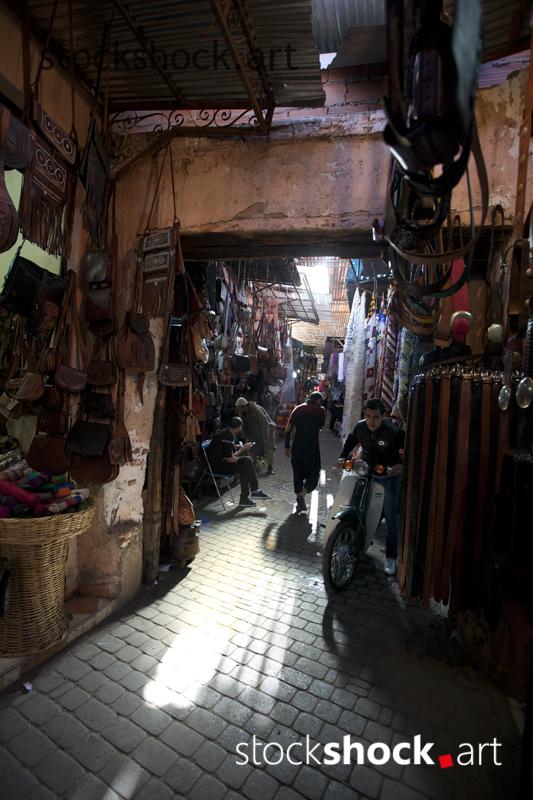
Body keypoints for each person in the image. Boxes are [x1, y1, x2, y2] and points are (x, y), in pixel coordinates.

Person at [337, 398, 404, 576]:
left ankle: (391, 557)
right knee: (355, 502)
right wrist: (342, 456)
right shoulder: (360, 427)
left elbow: (403, 452)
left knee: (390, 518)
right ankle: (353, 540)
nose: (371, 421)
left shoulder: (393, 431)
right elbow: (351, 441)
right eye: (368, 416)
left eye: (376, 417)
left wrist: (398, 466)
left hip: (388, 476)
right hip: (366, 470)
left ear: (383, 416)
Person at [206, 417, 270, 508]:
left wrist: (238, 448)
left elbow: (228, 454)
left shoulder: (226, 432)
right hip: (217, 466)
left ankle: (253, 492)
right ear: (239, 427)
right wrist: (243, 449)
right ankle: (248, 496)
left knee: (247, 460)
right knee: (245, 467)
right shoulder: (227, 436)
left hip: (221, 462)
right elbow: (231, 459)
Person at [284, 391, 326, 513]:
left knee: (297, 471)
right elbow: (321, 426)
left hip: (297, 445)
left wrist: (287, 446)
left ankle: (299, 495)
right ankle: (304, 491)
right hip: (312, 446)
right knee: (314, 470)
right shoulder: (321, 411)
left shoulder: (297, 409)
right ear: (318, 401)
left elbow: (288, 428)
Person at [235, 397, 276, 474]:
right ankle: (253, 466)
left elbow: (264, 424)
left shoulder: (256, 410)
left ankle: (270, 467)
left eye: (240, 408)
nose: (239, 411)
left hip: (268, 430)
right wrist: (246, 437)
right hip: (255, 432)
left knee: (269, 448)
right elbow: (244, 426)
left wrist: (265, 439)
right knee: (252, 448)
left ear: (244, 406)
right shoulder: (242, 413)